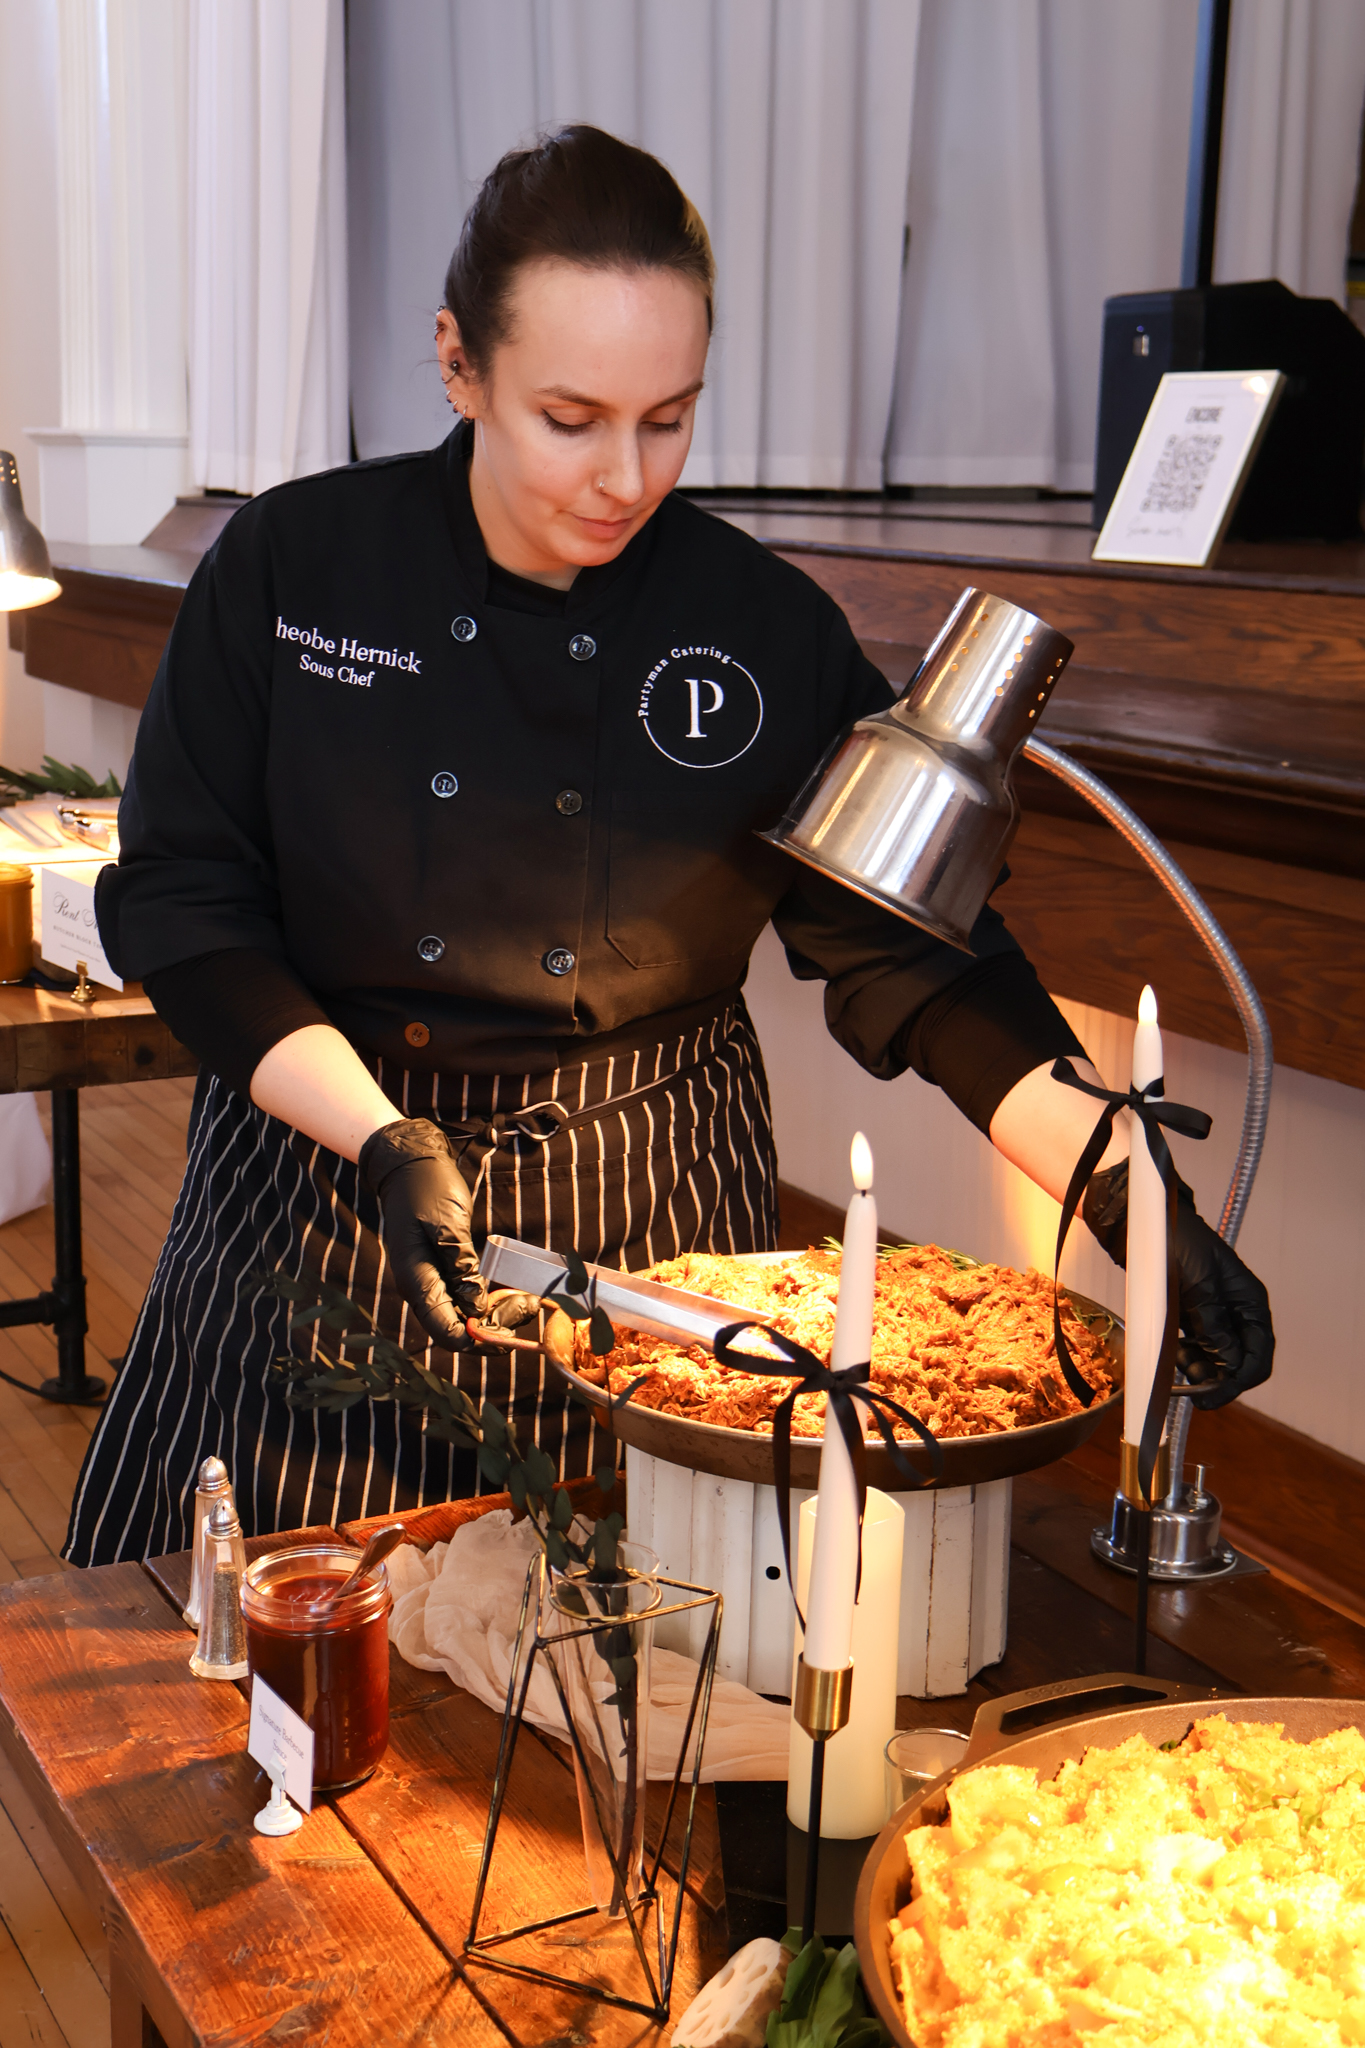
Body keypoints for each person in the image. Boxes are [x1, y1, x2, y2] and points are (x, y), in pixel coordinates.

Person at [64, 127, 1272, 1567]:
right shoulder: (294, 564)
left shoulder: (759, 627)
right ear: (458, 364)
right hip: (325, 1184)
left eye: (668, 418)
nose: (623, 477)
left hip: (642, 1212)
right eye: (568, 418)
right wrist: (384, 1138)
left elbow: (913, 964)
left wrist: (1125, 1187)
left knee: (633, 1643)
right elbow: (191, 904)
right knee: (242, 1648)